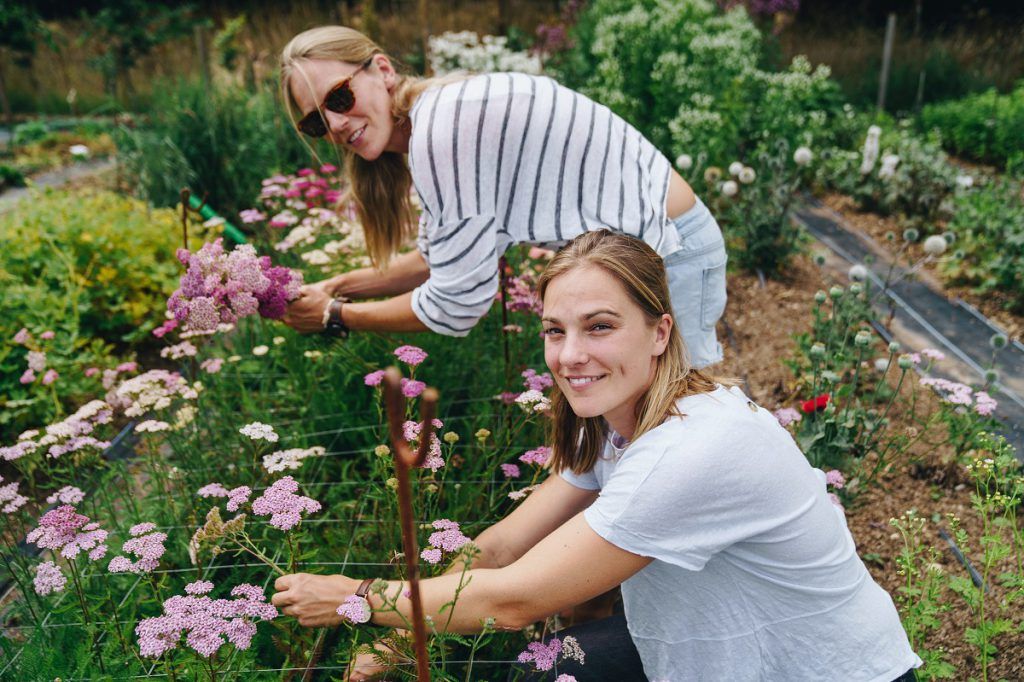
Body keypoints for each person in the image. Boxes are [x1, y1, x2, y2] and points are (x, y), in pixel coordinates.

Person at [271, 230, 922, 681]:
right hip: (709, 651)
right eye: (556, 331)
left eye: (600, 326)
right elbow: (499, 550)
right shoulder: (620, 423)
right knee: (553, 668)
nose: (570, 355)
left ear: (661, 331)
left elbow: (514, 601)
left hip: (819, 671)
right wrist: (394, 633)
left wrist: (357, 597)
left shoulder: (690, 452)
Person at [278, 26, 727, 369]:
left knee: (686, 421)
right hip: (653, 257)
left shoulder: (442, 129)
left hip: (671, 255)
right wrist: (336, 287)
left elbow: (457, 306)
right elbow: (435, 261)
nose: (336, 124)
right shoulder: (437, 117)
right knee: (654, 433)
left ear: (382, 70)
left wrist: (335, 316)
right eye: (317, 122)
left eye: (339, 96)